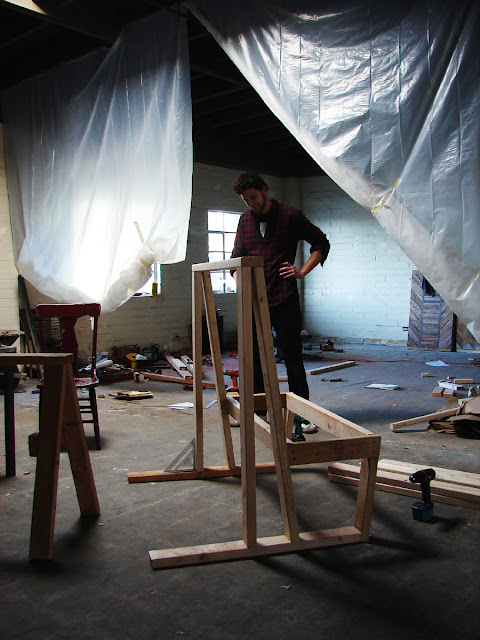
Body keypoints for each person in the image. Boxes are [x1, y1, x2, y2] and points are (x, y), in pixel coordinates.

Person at [231, 172, 330, 438]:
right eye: (245, 200)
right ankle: (259, 411)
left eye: (253, 197)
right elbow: (236, 260)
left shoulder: (289, 215)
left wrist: (302, 271)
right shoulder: (245, 221)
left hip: (284, 297)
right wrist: (242, 287)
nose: (250, 203)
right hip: (254, 300)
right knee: (254, 358)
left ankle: (303, 414)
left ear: (264, 190)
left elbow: (320, 242)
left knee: (292, 357)